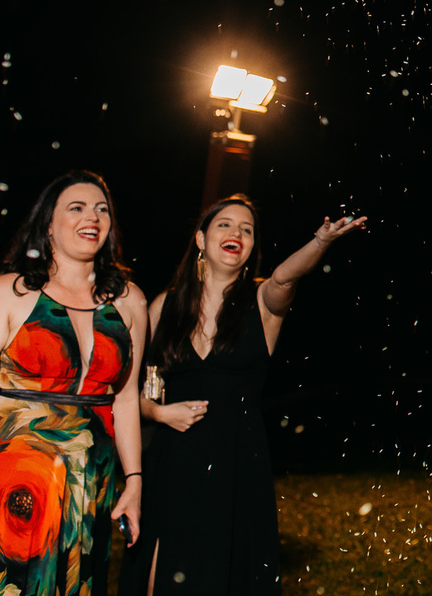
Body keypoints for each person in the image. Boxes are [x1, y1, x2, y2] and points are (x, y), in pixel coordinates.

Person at [118, 195, 364, 596]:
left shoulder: (262, 303)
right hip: (173, 461)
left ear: (251, 247)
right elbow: (134, 394)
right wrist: (160, 414)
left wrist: (320, 242)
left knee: (225, 572)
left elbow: (284, 278)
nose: (236, 233)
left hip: (236, 461)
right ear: (201, 240)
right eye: (225, 225)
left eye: (246, 229)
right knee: (157, 574)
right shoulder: (164, 306)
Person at [0, 170, 147, 595]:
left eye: (102, 209)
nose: (93, 217)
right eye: (77, 207)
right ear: (48, 225)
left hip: (91, 475)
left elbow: (126, 400)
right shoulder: (10, 292)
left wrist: (134, 480)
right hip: (10, 475)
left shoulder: (130, 301)